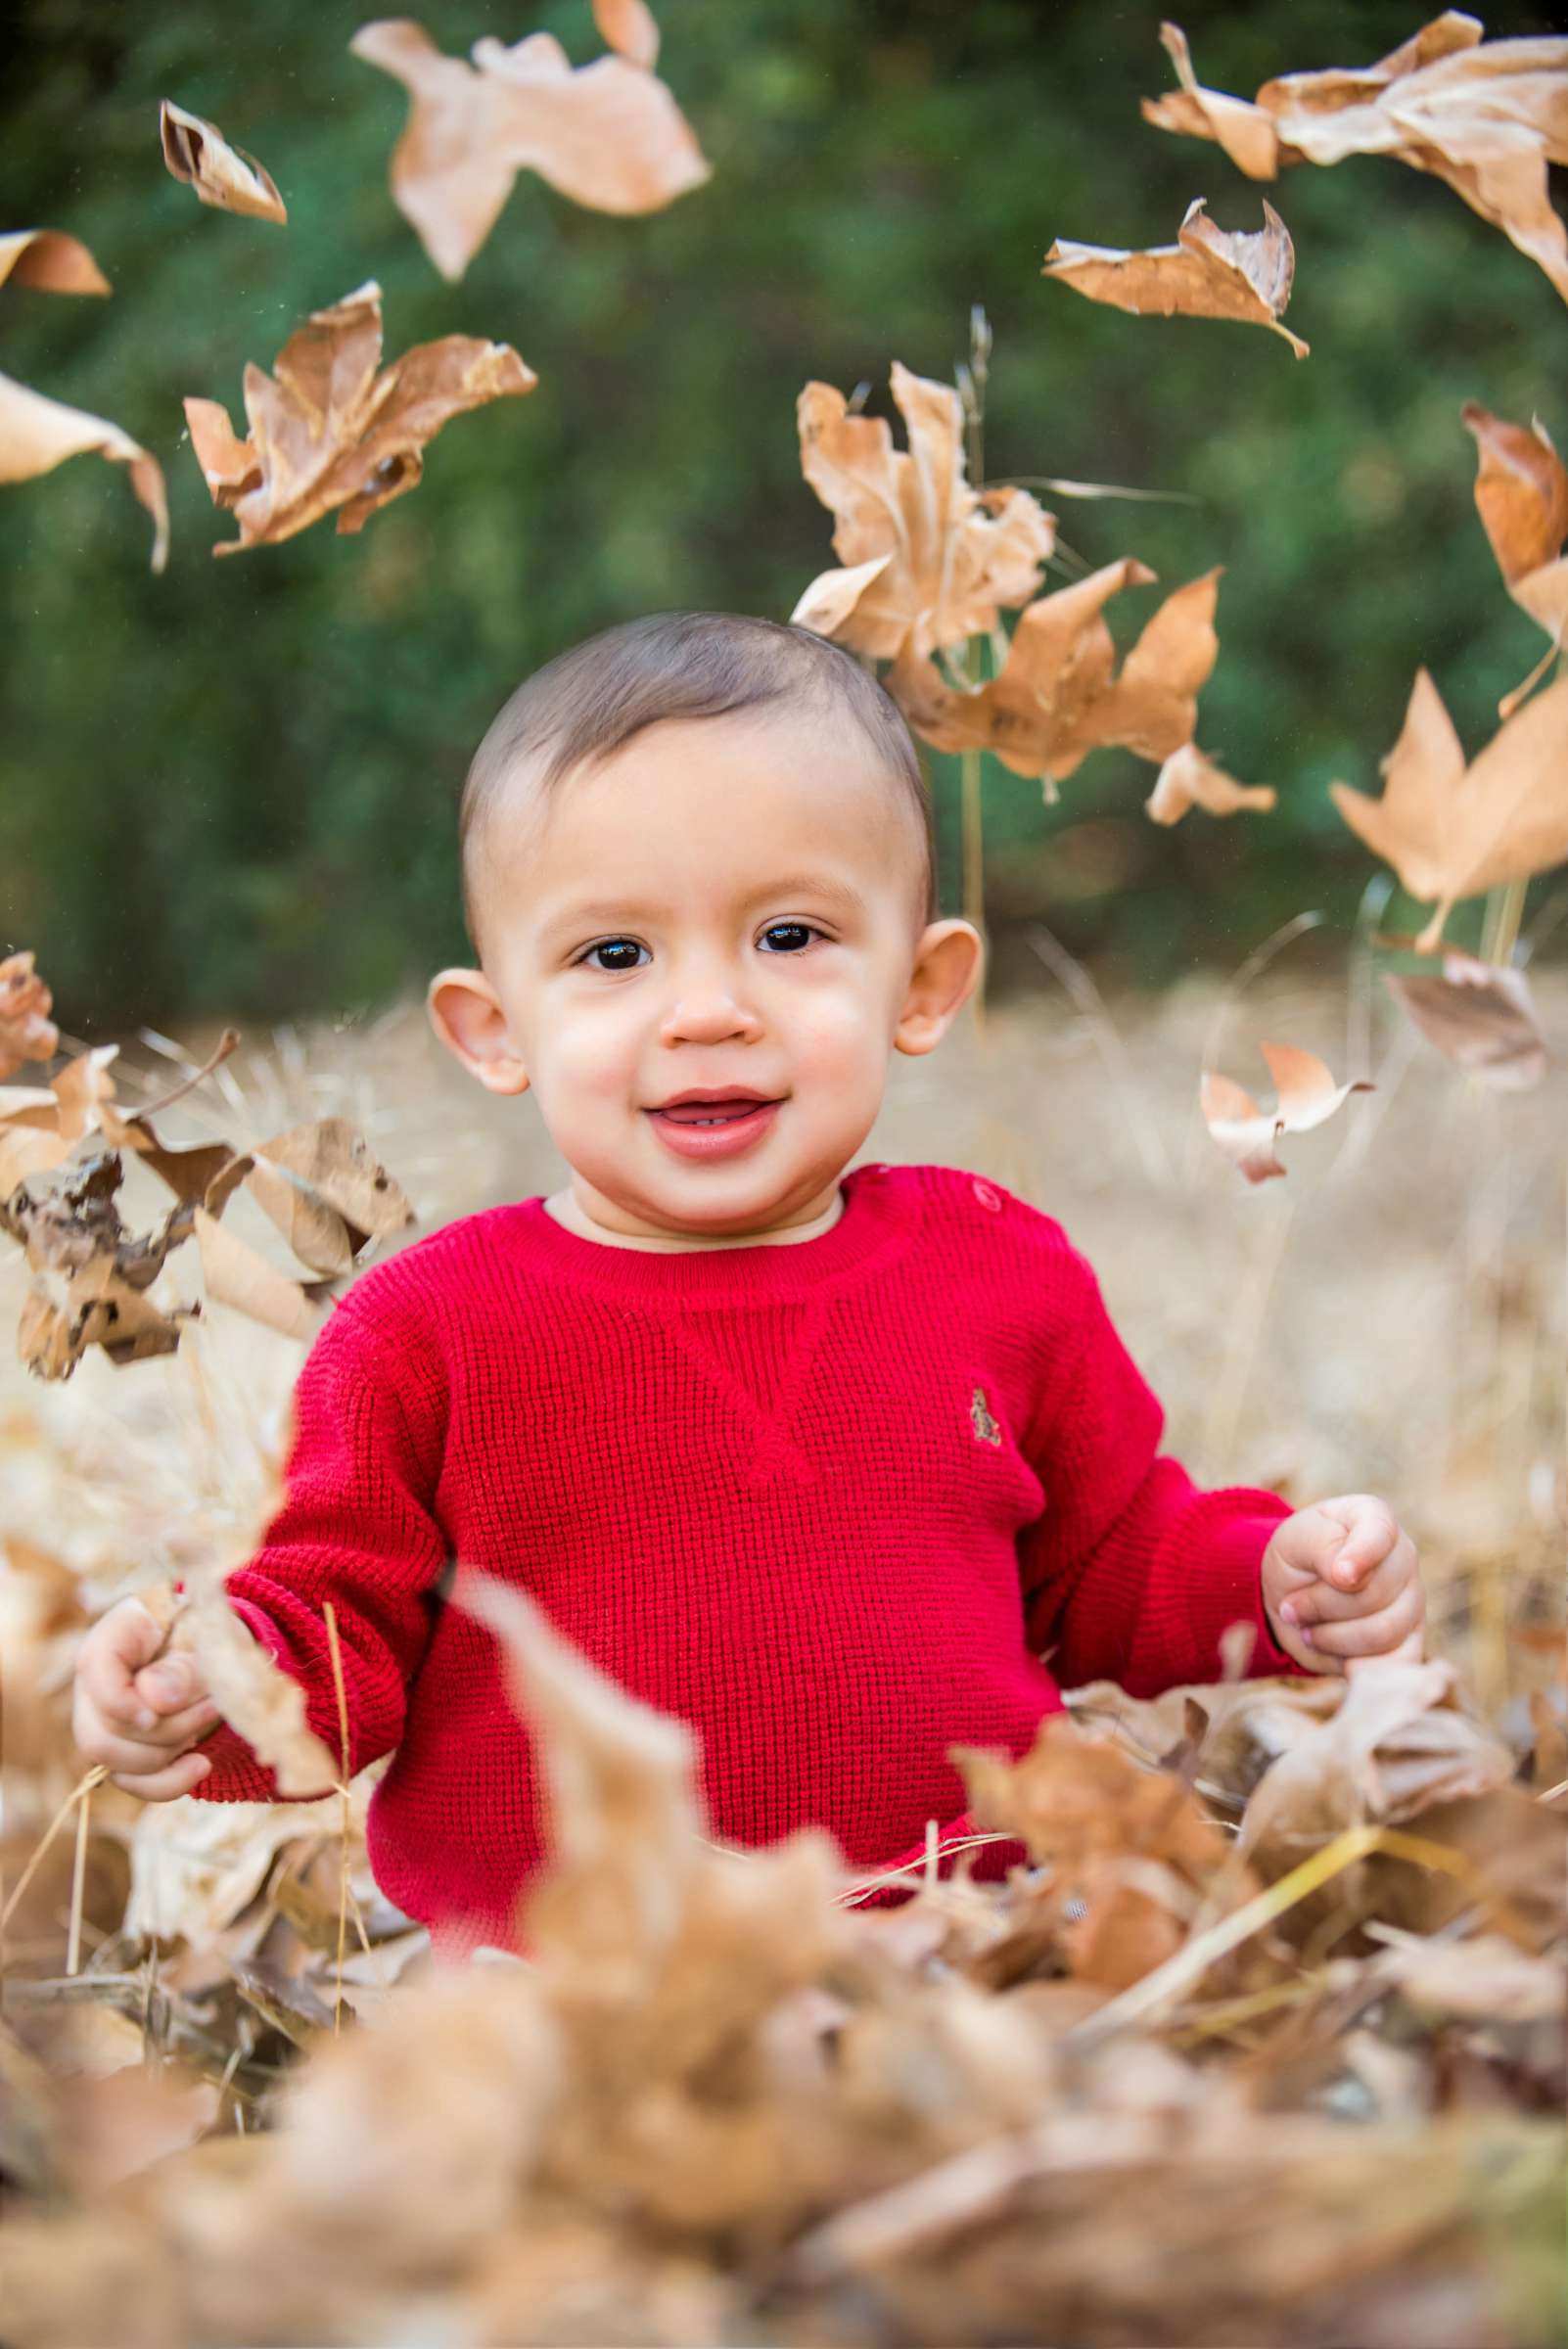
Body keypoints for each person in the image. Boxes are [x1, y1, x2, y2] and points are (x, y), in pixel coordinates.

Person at [71, 612, 1427, 1958]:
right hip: (573, 1988)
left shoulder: (992, 1268)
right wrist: (214, 1690)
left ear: (923, 984)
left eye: (788, 936)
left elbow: (1105, 1563)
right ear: (495, 1031)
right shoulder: (430, 1330)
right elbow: (339, 1625)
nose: (708, 1008)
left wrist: (1273, 1581)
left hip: (974, 1952)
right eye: (615, 956)